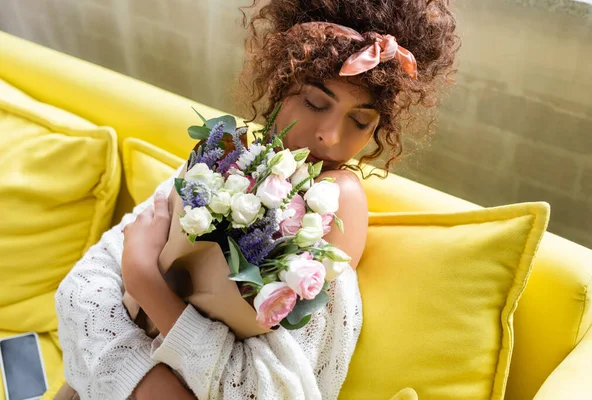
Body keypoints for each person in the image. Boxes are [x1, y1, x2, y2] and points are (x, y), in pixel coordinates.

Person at [55, 0, 459, 399]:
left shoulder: (338, 201)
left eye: (359, 121)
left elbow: (268, 389)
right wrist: (134, 372)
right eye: (316, 103)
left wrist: (147, 285)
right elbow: (83, 286)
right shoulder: (227, 151)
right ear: (282, 83)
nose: (330, 137)